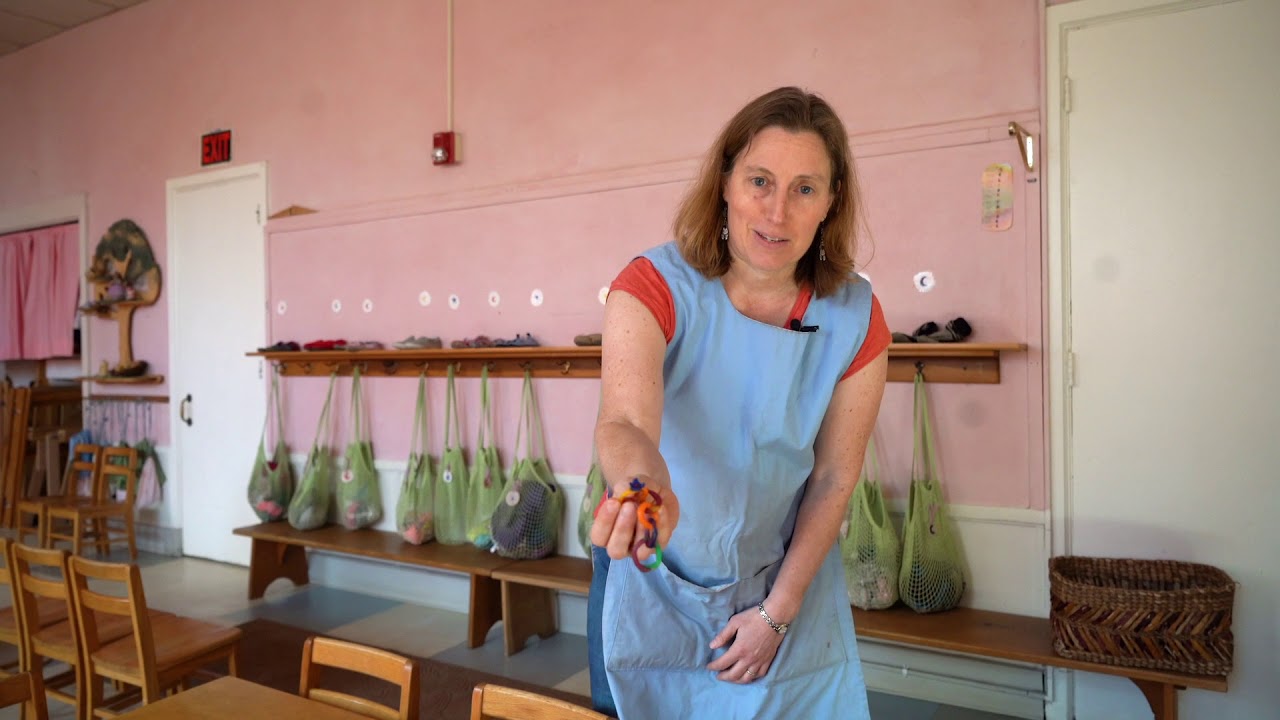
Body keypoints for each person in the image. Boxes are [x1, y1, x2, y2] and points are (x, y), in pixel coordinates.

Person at [587, 86, 890, 719]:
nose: (777, 211)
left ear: (831, 203)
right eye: (760, 180)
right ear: (725, 181)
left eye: (805, 188)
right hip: (655, 568)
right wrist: (644, 488)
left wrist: (777, 615)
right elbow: (624, 421)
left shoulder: (857, 316)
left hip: (784, 577)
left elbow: (835, 478)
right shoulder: (652, 285)